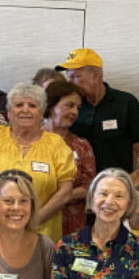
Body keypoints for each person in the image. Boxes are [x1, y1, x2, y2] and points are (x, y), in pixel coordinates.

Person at [0, 82, 75, 240]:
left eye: (32, 105)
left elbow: (65, 192)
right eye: (18, 105)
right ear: (9, 112)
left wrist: (30, 222)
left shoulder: (56, 145)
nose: (25, 110)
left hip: (38, 234)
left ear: (42, 113)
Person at [61, 47, 139, 172]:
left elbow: (137, 147)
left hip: (118, 183)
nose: (70, 83)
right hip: (81, 186)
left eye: (75, 77)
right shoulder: (70, 107)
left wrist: (134, 181)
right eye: (69, 78)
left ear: (95, 76)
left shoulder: (126, 102)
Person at [43, 79, 97, 238]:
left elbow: (90, 187)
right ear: (52, 106)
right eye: (69, 105)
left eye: (78, 108)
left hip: (73, 227)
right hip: (38, 223)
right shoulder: (32, 142)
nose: (75, 112)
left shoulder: (81, 145)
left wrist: (56, 198)